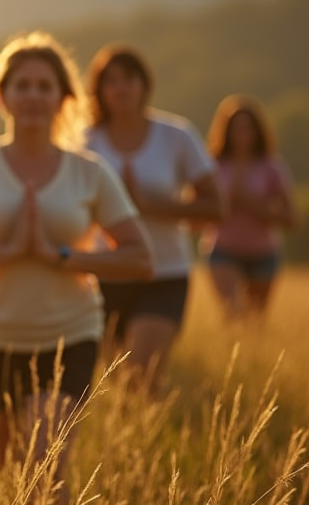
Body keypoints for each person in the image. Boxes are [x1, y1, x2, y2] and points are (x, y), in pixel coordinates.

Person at [0, 31, 152, 503]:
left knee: (45, 469)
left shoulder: (89, 172)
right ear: (3, 94)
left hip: (68, 337)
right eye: (23, 85)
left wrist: (59, 257)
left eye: (45, 86)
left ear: (64, 97)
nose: (34, 95)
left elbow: (140, 258)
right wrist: (7, 251)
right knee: (10, 474)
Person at [82, 44, 223, 391]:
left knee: (141, 375)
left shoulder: (176, 135)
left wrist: (149, 205)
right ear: (99, 90)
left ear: (144, 85)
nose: (121, 88)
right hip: (103, 275)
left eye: (128, 79)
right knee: (111, 385)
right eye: (110, 81)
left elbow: (217, 206)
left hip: (164, 274)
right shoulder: (84, 141)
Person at [201, 95, 298, 321]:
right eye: (235, 129)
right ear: (224, 131)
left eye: (247, 128)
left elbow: (291, 219)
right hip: (223, 251)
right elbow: (195, 214)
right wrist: (223, 205)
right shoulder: (212, 165)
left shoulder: (271, 167)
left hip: (264, 254)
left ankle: (252, 357)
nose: (241, 134)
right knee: (234, 312)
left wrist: (250, 203)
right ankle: (231, 355)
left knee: (255, 320)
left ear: (257, 131)